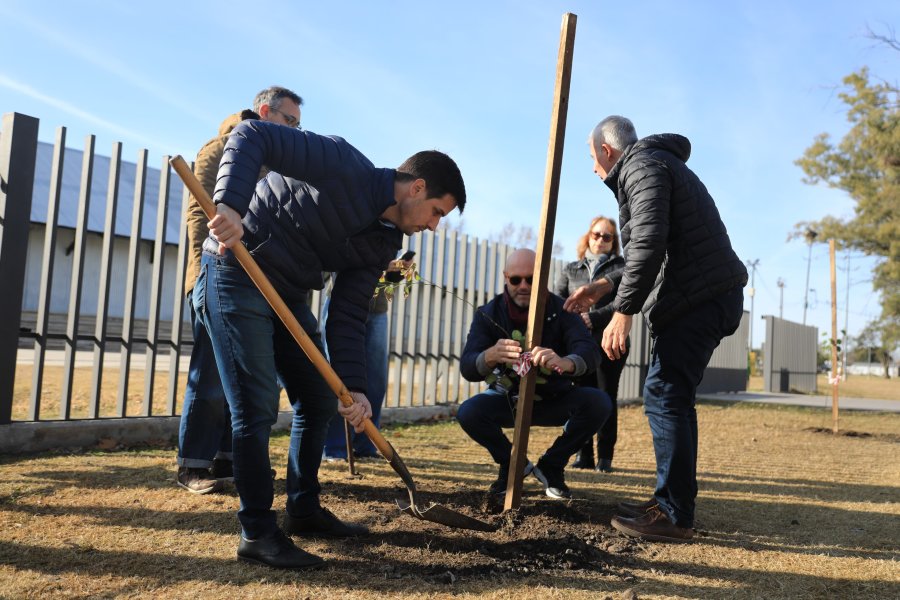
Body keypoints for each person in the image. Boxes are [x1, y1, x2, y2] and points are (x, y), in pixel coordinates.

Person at [199, 119, 466, 569]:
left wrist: (355, 388)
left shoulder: (384, 241)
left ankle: (302, 509)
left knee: (321, 396)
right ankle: (257, 533)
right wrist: (230, 206)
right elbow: (253, 136)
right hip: (236, 272)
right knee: (256, 404)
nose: (435, 226)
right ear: (416, 188)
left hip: (286, 292)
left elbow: (347, 313)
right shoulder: (343, 165)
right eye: (438, 212)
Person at [566, 115, 747, 543]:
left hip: (700, 299)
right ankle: (669, 501)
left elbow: (647, 243)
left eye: (592, 160)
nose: (594, 170)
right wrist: (604, 284)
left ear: (606, 152)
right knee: (672, 396)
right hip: (706, 296)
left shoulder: (641, 167)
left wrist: (622, 313)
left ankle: (674, 514)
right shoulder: (655, 166)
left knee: (664, 393)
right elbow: (655, 245)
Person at [176, 86, 303, 494]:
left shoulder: (276, 163)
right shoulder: (223, 149)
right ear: (265, 111)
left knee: (242, 376)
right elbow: (201, 215)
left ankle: (229, 461)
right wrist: (202, 274)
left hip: (255, 282)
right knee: (210, 375)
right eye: (290, 122)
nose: (295, 131)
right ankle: (193, 464)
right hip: (215, 276)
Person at [456, 249, 611, 500]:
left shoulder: (564, 310)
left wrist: (565, 362)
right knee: (468, 412)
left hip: (556, 398)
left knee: (599, 403)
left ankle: (552, 466)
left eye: (531, 279)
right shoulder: (489, 313)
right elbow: (468, 366)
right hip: (507, 399)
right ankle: (512, 466)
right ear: (505, 277)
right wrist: (489, 356)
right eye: (516, 280)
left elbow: (590, 352)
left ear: (543, 277)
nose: (524, 286)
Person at [321, 255, 413, 461]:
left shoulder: (392, 233)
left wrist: (395, 272)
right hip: (342, 304)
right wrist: (380, 263)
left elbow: (386, 283)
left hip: (377, 310)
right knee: (338, 378)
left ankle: (366, 445)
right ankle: (334, 448)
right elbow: (338, 259)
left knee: (375, 381)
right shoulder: (354, 223)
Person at [555, 216, 627, 472]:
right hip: (578, 344)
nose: (600, 240)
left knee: (606, 396)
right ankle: (582, 455)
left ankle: (605, 457)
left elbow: (623, 302)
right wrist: (573, 324)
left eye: (607, 236)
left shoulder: (622, 267)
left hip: (610, 341)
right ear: (588, 236)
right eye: (596, 234)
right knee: (580, 397)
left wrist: (592, 317)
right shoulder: (571, 269)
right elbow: (560, 302)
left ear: (614, 242)